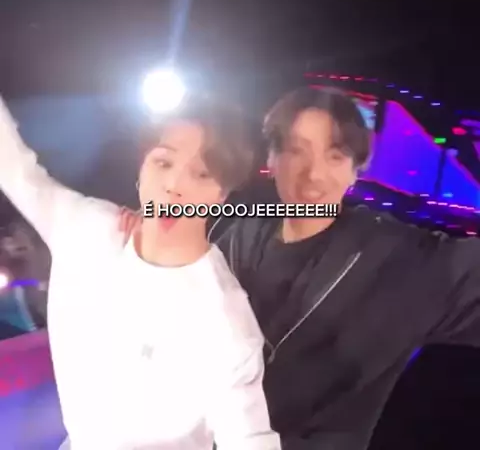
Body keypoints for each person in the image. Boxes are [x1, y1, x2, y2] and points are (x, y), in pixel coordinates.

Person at [119, 85, 480, 450]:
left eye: (335, 156)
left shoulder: (396, 258)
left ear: (355, 171)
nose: (314, 174)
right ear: (272, 159)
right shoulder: (235, 236)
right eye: (295, 151)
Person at [0, 96, 281, 450]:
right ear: (142, 168)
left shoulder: (224, 322)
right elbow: (14, 168)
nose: (174, 185)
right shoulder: (86, 229)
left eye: (202, 173)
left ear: (221, 194)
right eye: (163, 162)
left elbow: (249, 438)